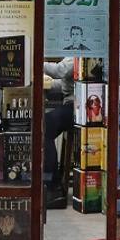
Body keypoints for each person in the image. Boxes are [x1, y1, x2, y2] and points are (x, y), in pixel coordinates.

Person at [41, 55, 75, 208]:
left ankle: (52, 186)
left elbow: (61, 70)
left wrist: (35, 61)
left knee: (45, 126)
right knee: (44, 124)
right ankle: (52, 182)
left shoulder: (84, 47)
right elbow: (64, 82)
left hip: (78, 104)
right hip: (72, 102)